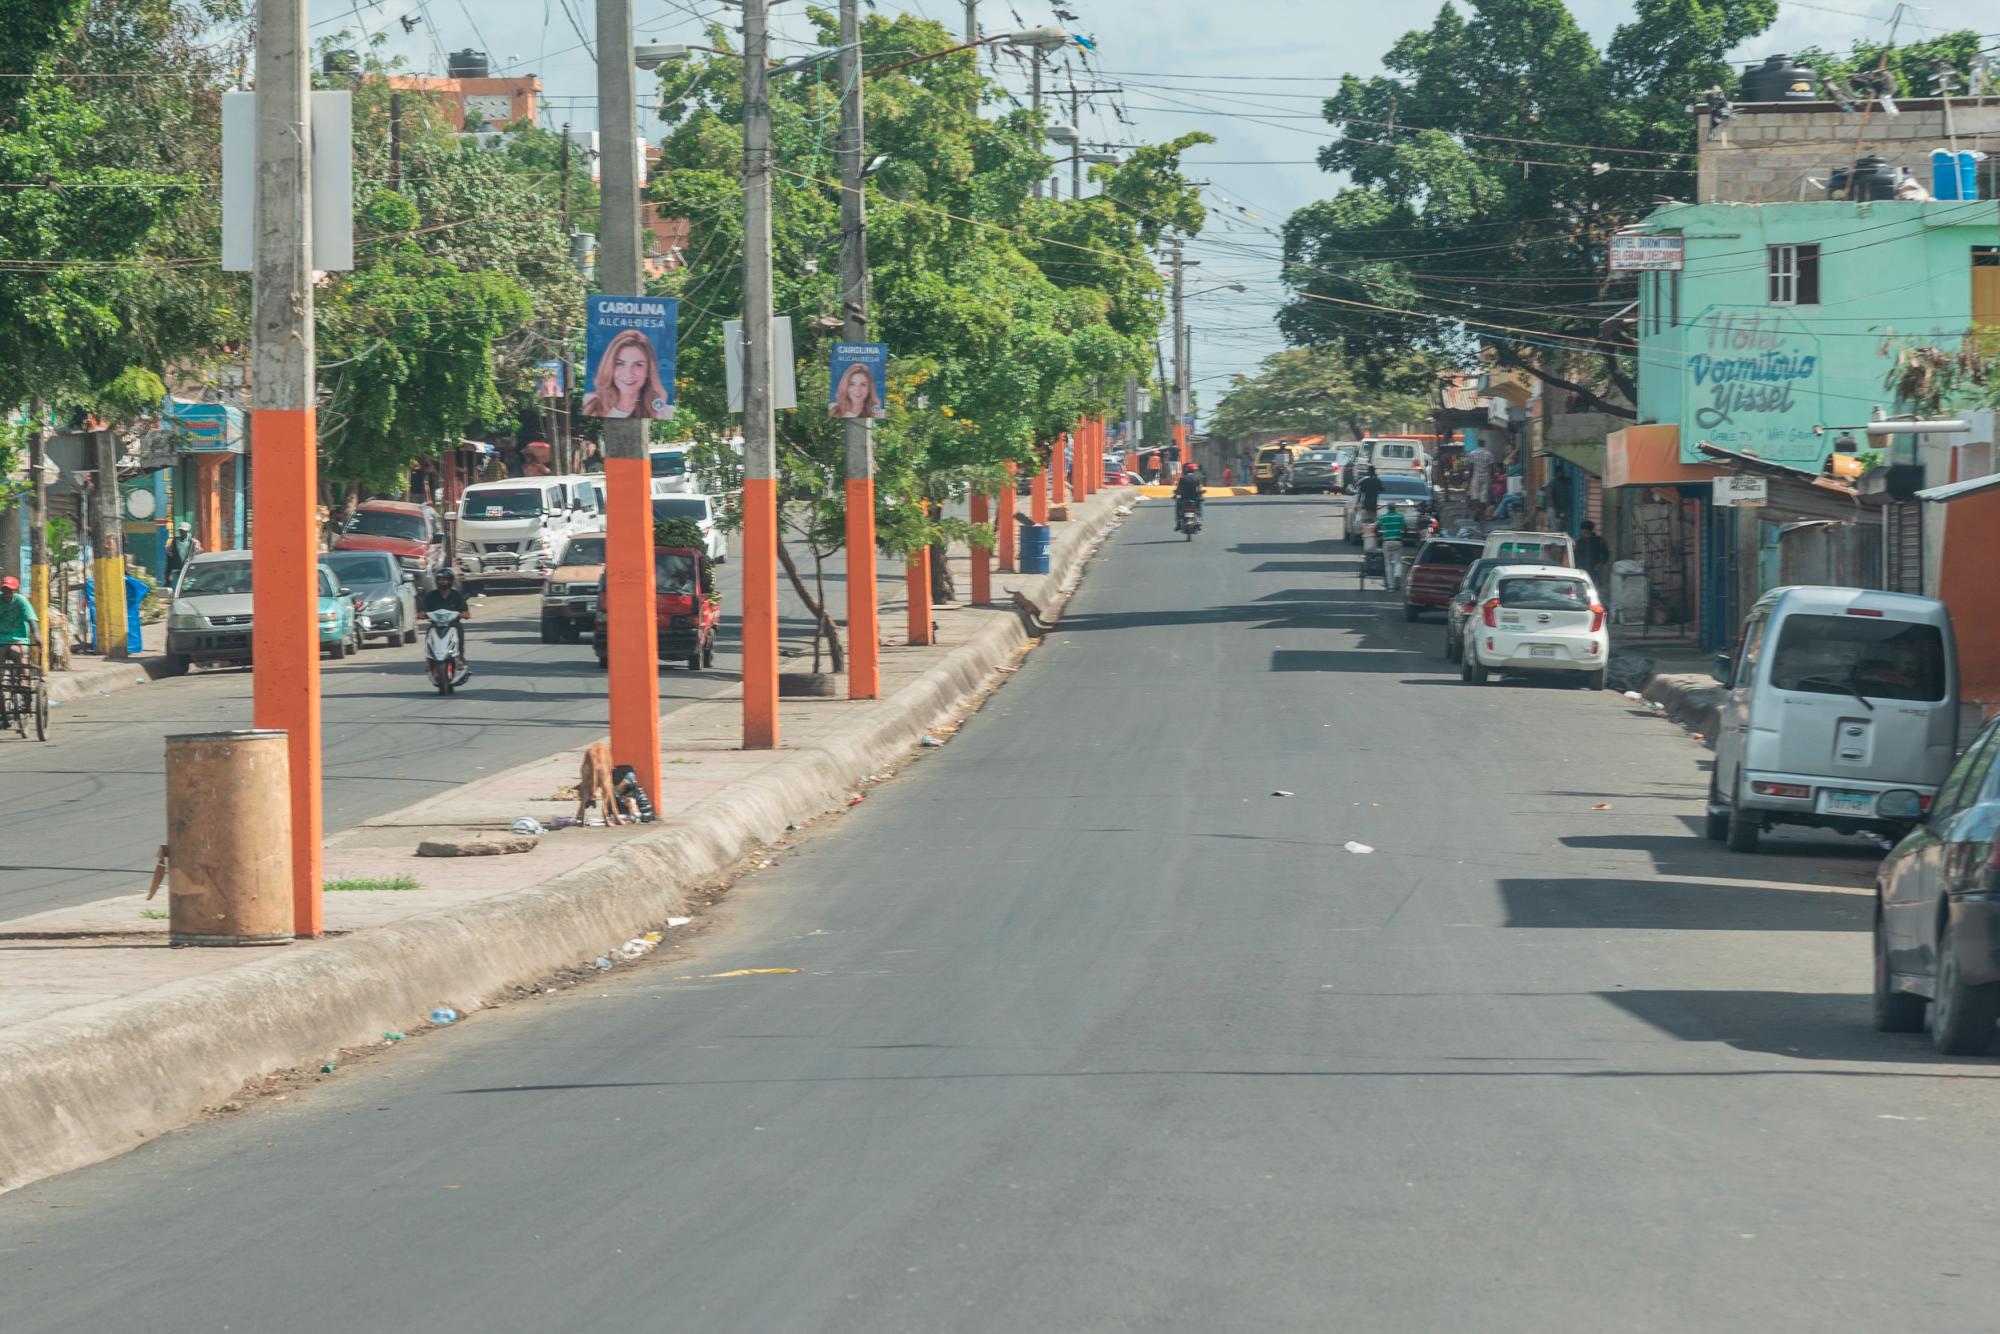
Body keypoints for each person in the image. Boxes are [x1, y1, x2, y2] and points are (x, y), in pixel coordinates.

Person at [582, 329, 670, 419]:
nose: (628, 374)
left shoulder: (664, 412)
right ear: (610, 367)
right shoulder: (589, 403)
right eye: (620, 363)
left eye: (638, 365)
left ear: (648, 371)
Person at [417, 568, 472, 672]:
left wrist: (463, 614)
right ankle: (429, 660)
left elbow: (465, 612)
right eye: (440, 579)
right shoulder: (431, 596)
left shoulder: (456, 596)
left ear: (450, 581)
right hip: (436, 624)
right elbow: (422, 610)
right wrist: (421, 614)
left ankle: (459, 657)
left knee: (459, 629)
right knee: (429, 632)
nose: (442, 582)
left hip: (452, 624)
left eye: (445, 579)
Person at [0, 575, 37, 666]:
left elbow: (31, 618)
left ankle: (24, 679)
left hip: (18, 639)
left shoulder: (21, 601)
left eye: (10, 591)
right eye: (5, 591)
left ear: (14, 591)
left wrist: (37, 636)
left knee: (17, 653)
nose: (7, 594)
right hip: (1, 639)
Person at [1376, 504, 1409, 589]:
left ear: (1388, 509)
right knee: (1398, 561)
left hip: (1387, 541)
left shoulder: (1383, 517)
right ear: (1395, 509)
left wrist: (1380, 534)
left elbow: (1376, 526)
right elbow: (1405, 527)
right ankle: (1397, 574)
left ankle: (1390, 586)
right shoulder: (1400, 516)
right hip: (1397, 540)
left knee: (1388, 564)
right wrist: (1402, 534)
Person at [1465, 442, 1496, 520]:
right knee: (1483, 496)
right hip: (1485, 478)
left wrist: (1469, 479)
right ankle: (1481, 512)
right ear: (1484, 445)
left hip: (1475, 477)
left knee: (1475, 496)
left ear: (1478, 445)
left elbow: (1470, 467)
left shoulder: (1473, 453)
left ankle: (1477, 510)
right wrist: (1493, 478)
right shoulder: (1489, 454)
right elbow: (1492, 468)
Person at [1575, 520, 1609, 585]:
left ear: (1586, 531)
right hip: (1581, 570)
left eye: (1582, 530)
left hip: (1595, 570)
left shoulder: (1599, 540)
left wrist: (1600, 563)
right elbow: (1576, 556)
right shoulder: (1579, 542)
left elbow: (1606, 554)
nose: (1581, 532)